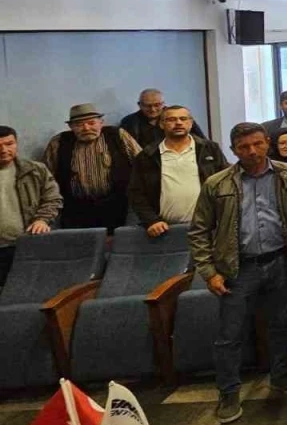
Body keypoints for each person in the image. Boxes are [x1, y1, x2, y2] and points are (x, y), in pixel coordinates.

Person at [189, 122, 287, 424]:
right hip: (237, 269)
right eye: (244, 147)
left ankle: (280, 374)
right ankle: (228, 391)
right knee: (230, 334)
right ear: (233, 150)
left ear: (267, 142)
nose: (252, 151)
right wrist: (209, 272)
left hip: (280, 263)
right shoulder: (217, 184)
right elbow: (199, 231)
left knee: (281, 325)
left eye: (257, 144)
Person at [127, 105, 228, 237]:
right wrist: (151, 220)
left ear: (190, 123)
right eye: (171, 119)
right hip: (165, 230)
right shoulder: (148, 155)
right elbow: (136, 193)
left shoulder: (210, 149)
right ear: (161, 124)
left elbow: (226, 183)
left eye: (183, 119)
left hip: (209, 227)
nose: (178, 123)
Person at [43, 103, 141, 231]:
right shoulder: (59, 142)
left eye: (91, 123)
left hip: (117, 207)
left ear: (101, 123)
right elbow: (46, 178)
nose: (86, 128)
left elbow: (143, 164)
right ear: (71, 127)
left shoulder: (117, 136)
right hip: (75, 212)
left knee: (116, 242)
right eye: (79, 125)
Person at [0, 125, 61, 288]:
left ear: (16, 143)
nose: (4, 150)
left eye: (9, 144)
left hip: (27, 244)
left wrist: (42, 219)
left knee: (30, 289)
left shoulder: (35, 170)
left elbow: (53, 198)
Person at [120, 88, 205, 147]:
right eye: (148, 106)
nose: (153, 109)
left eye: (157, 105)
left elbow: (202, 142)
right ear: (139, 105)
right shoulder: (129, 122)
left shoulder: (181, 117)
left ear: (163, 104)